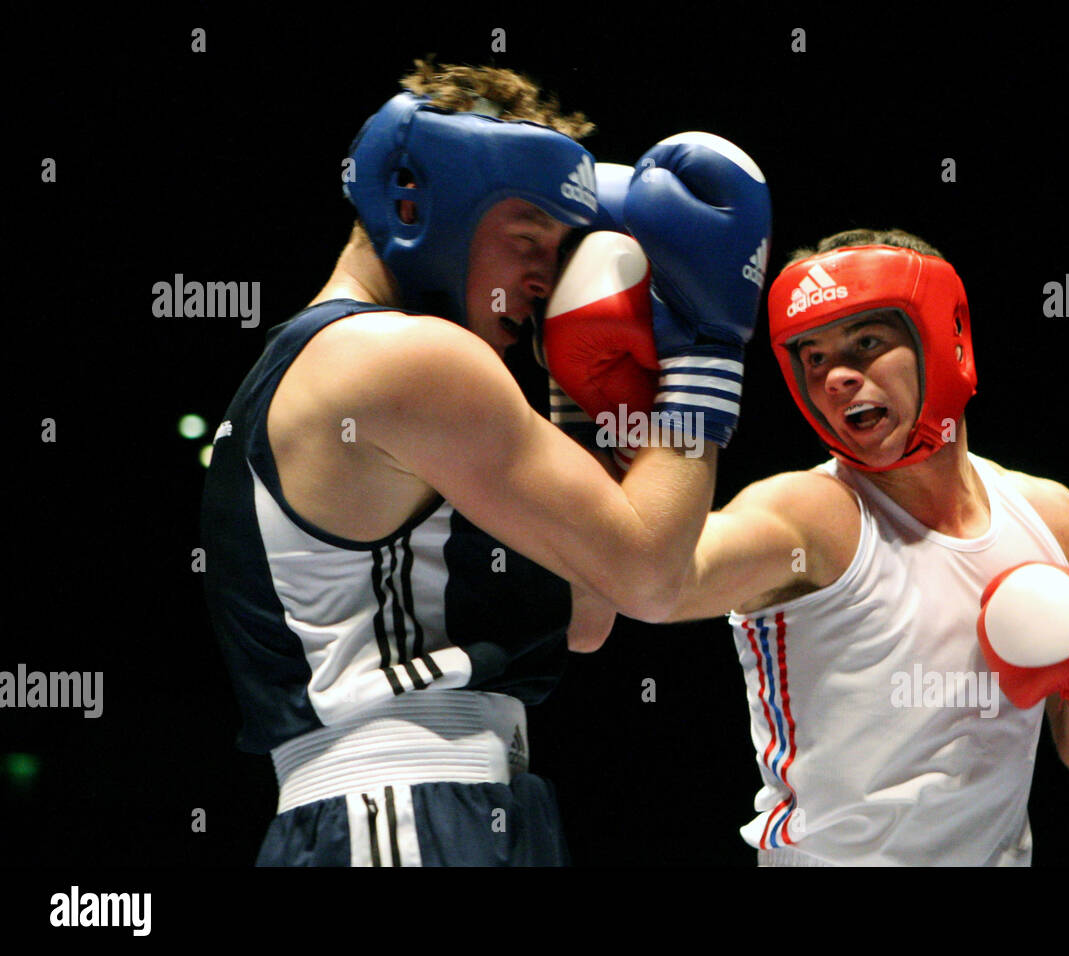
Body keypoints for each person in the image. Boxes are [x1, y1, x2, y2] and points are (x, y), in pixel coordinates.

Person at [199, 61, 770, 866]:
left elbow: (588, 609)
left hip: (438, 803)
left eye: (562, 248)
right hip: (405, 811)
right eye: (527, 238)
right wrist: (707, 352)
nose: (545, 277)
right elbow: (650, 577)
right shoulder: (403, 359)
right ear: (415, 205)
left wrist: (586, 392)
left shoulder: (334, 365)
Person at [590, 227, 1069, 865]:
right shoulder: (812, 516)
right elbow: (656, 583)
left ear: (945, 339)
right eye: (814, 356)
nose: (836, 377)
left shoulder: (1049, 518)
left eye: (866, 342)